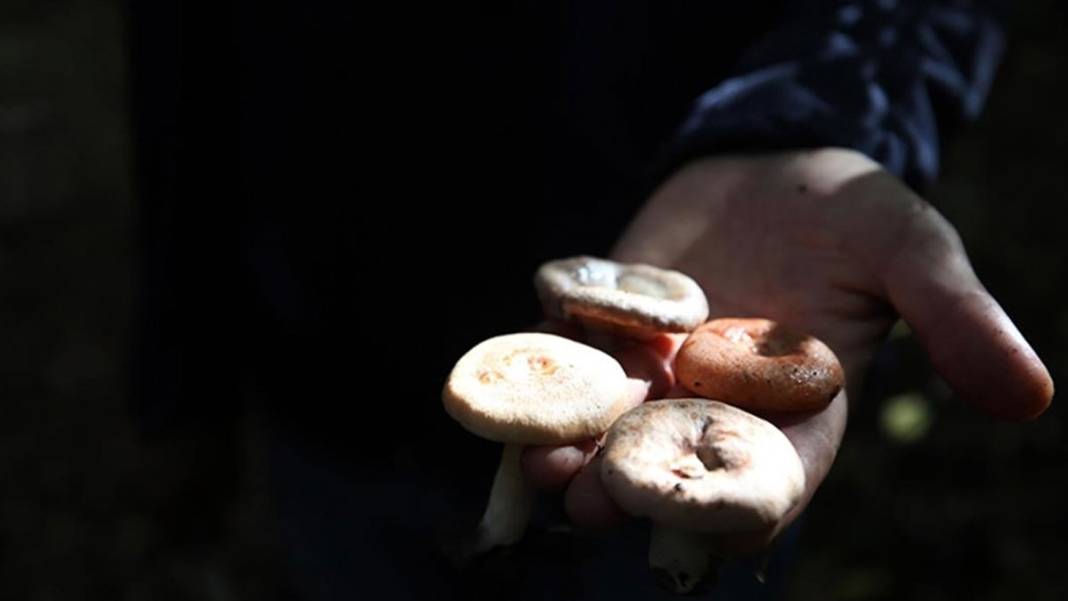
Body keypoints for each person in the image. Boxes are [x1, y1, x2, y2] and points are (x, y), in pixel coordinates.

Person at [126, 1, 1053, 599]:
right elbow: (182, 58)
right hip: (329, 375)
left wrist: (818, 120)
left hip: (646, 460)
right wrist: (182, 364)